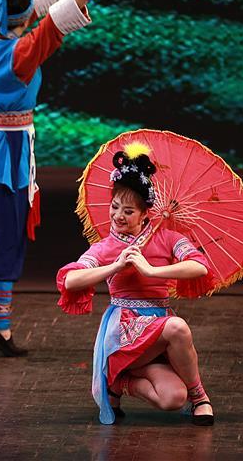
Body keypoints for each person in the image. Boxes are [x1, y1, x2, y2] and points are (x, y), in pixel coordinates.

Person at [0, 0, 113, 356]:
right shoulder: (20, 54)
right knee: (4, 237)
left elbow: (28, 3)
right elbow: (54, 23)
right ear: (22, 21)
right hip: (3, 159)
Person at [56, 143, 217, 425]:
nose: (118, 216)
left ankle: (120, 384)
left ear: (145, 214)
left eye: (128, 211)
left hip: (158, 327)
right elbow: (71, 280)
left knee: (172, 399)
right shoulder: (106, 247)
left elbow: (200, 266)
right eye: (115, 207)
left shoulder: (168, 238)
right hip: (125, 328)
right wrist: (116, 265)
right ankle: (201, 397)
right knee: (178, 327)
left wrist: (152, 270)